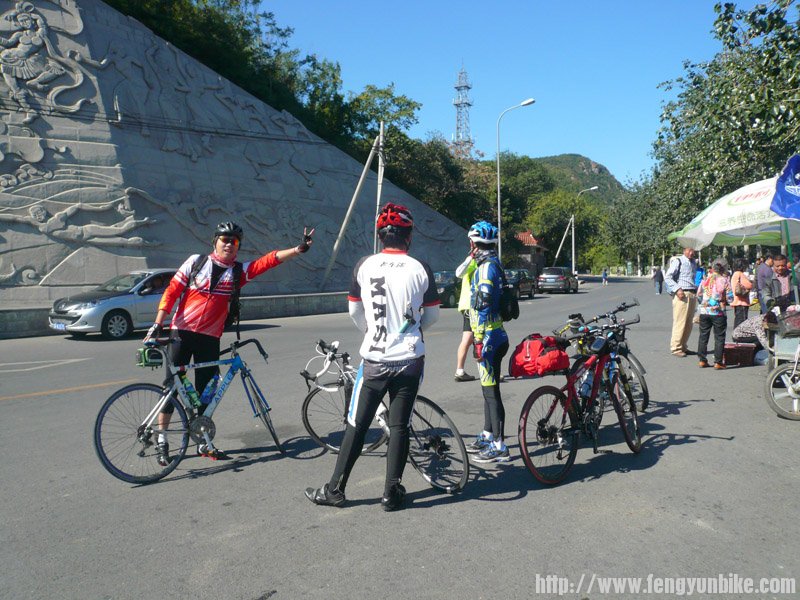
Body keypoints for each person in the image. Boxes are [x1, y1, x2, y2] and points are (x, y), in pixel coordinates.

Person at [305, 203, 440, 511]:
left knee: (357, 423)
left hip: (375, 360)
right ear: (409, 236)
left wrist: (372, 333)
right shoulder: (421, 268)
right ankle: (391, 494)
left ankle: (335, 490)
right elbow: (431, 316)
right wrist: (409, 333)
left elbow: (354, 310)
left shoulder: (364, 266)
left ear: (380, 237)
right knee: (399, 425)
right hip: (410, 359)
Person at [144, 221, 313, 464]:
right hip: (181, 333)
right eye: (225, 240)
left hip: (210, 338)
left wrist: (297, 250)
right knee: (171, 388)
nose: (229, 245)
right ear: (215, 241)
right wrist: (159, 322)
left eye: (234, 242)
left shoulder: (237, 272)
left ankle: (202, 440)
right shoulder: (196, 262)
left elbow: (266, 261)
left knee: (206, 391)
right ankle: (162, 441)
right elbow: (172, 291)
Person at [462, 221, 511, 463]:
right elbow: (460, 273)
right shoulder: (493, 263)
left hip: (490, 337)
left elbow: (482, 306)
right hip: (496, 333)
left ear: (473, 242)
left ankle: (499, 446)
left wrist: (478, 339)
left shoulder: (485, 269)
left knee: (491, 393)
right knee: (487, 390)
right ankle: (487, 433)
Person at [696, 262, 733, 369]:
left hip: (704, 311)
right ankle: (718, 362)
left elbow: (699, 294)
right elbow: (730, 298)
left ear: (712, 269)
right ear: (722, 270)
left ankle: (702, 360)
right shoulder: (724, 280)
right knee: (719, 337)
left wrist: (705, 302)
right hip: (718, 312)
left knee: (703, 335)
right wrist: (723, 300)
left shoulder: (705, 280)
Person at [453, 232, 479, 382]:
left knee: (472, 338)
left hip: (471, 305)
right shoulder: (473, 262)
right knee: (472, 337)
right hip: (471, 305)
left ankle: (461, 370)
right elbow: (458, 273)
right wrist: (471, 257)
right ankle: (461, 370)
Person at [664, 246, 698, 357]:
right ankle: (676, 348)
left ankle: (683, 346)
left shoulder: (694, 262)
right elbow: (668, 277)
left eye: (693, 250)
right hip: (682, 294)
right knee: (680, 322)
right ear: (684, 250)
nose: (692, 253)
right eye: (689, 250)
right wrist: (677, 289)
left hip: (692, 294)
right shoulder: (678, 261)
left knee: (689, 323)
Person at [730, 258, 753, 329]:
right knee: (741, 321)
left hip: (737, 301)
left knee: (738, 320)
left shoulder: (735, 274)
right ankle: (739, 337)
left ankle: (737, 336)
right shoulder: (740, 274)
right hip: (741, 301)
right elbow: (749, 285)